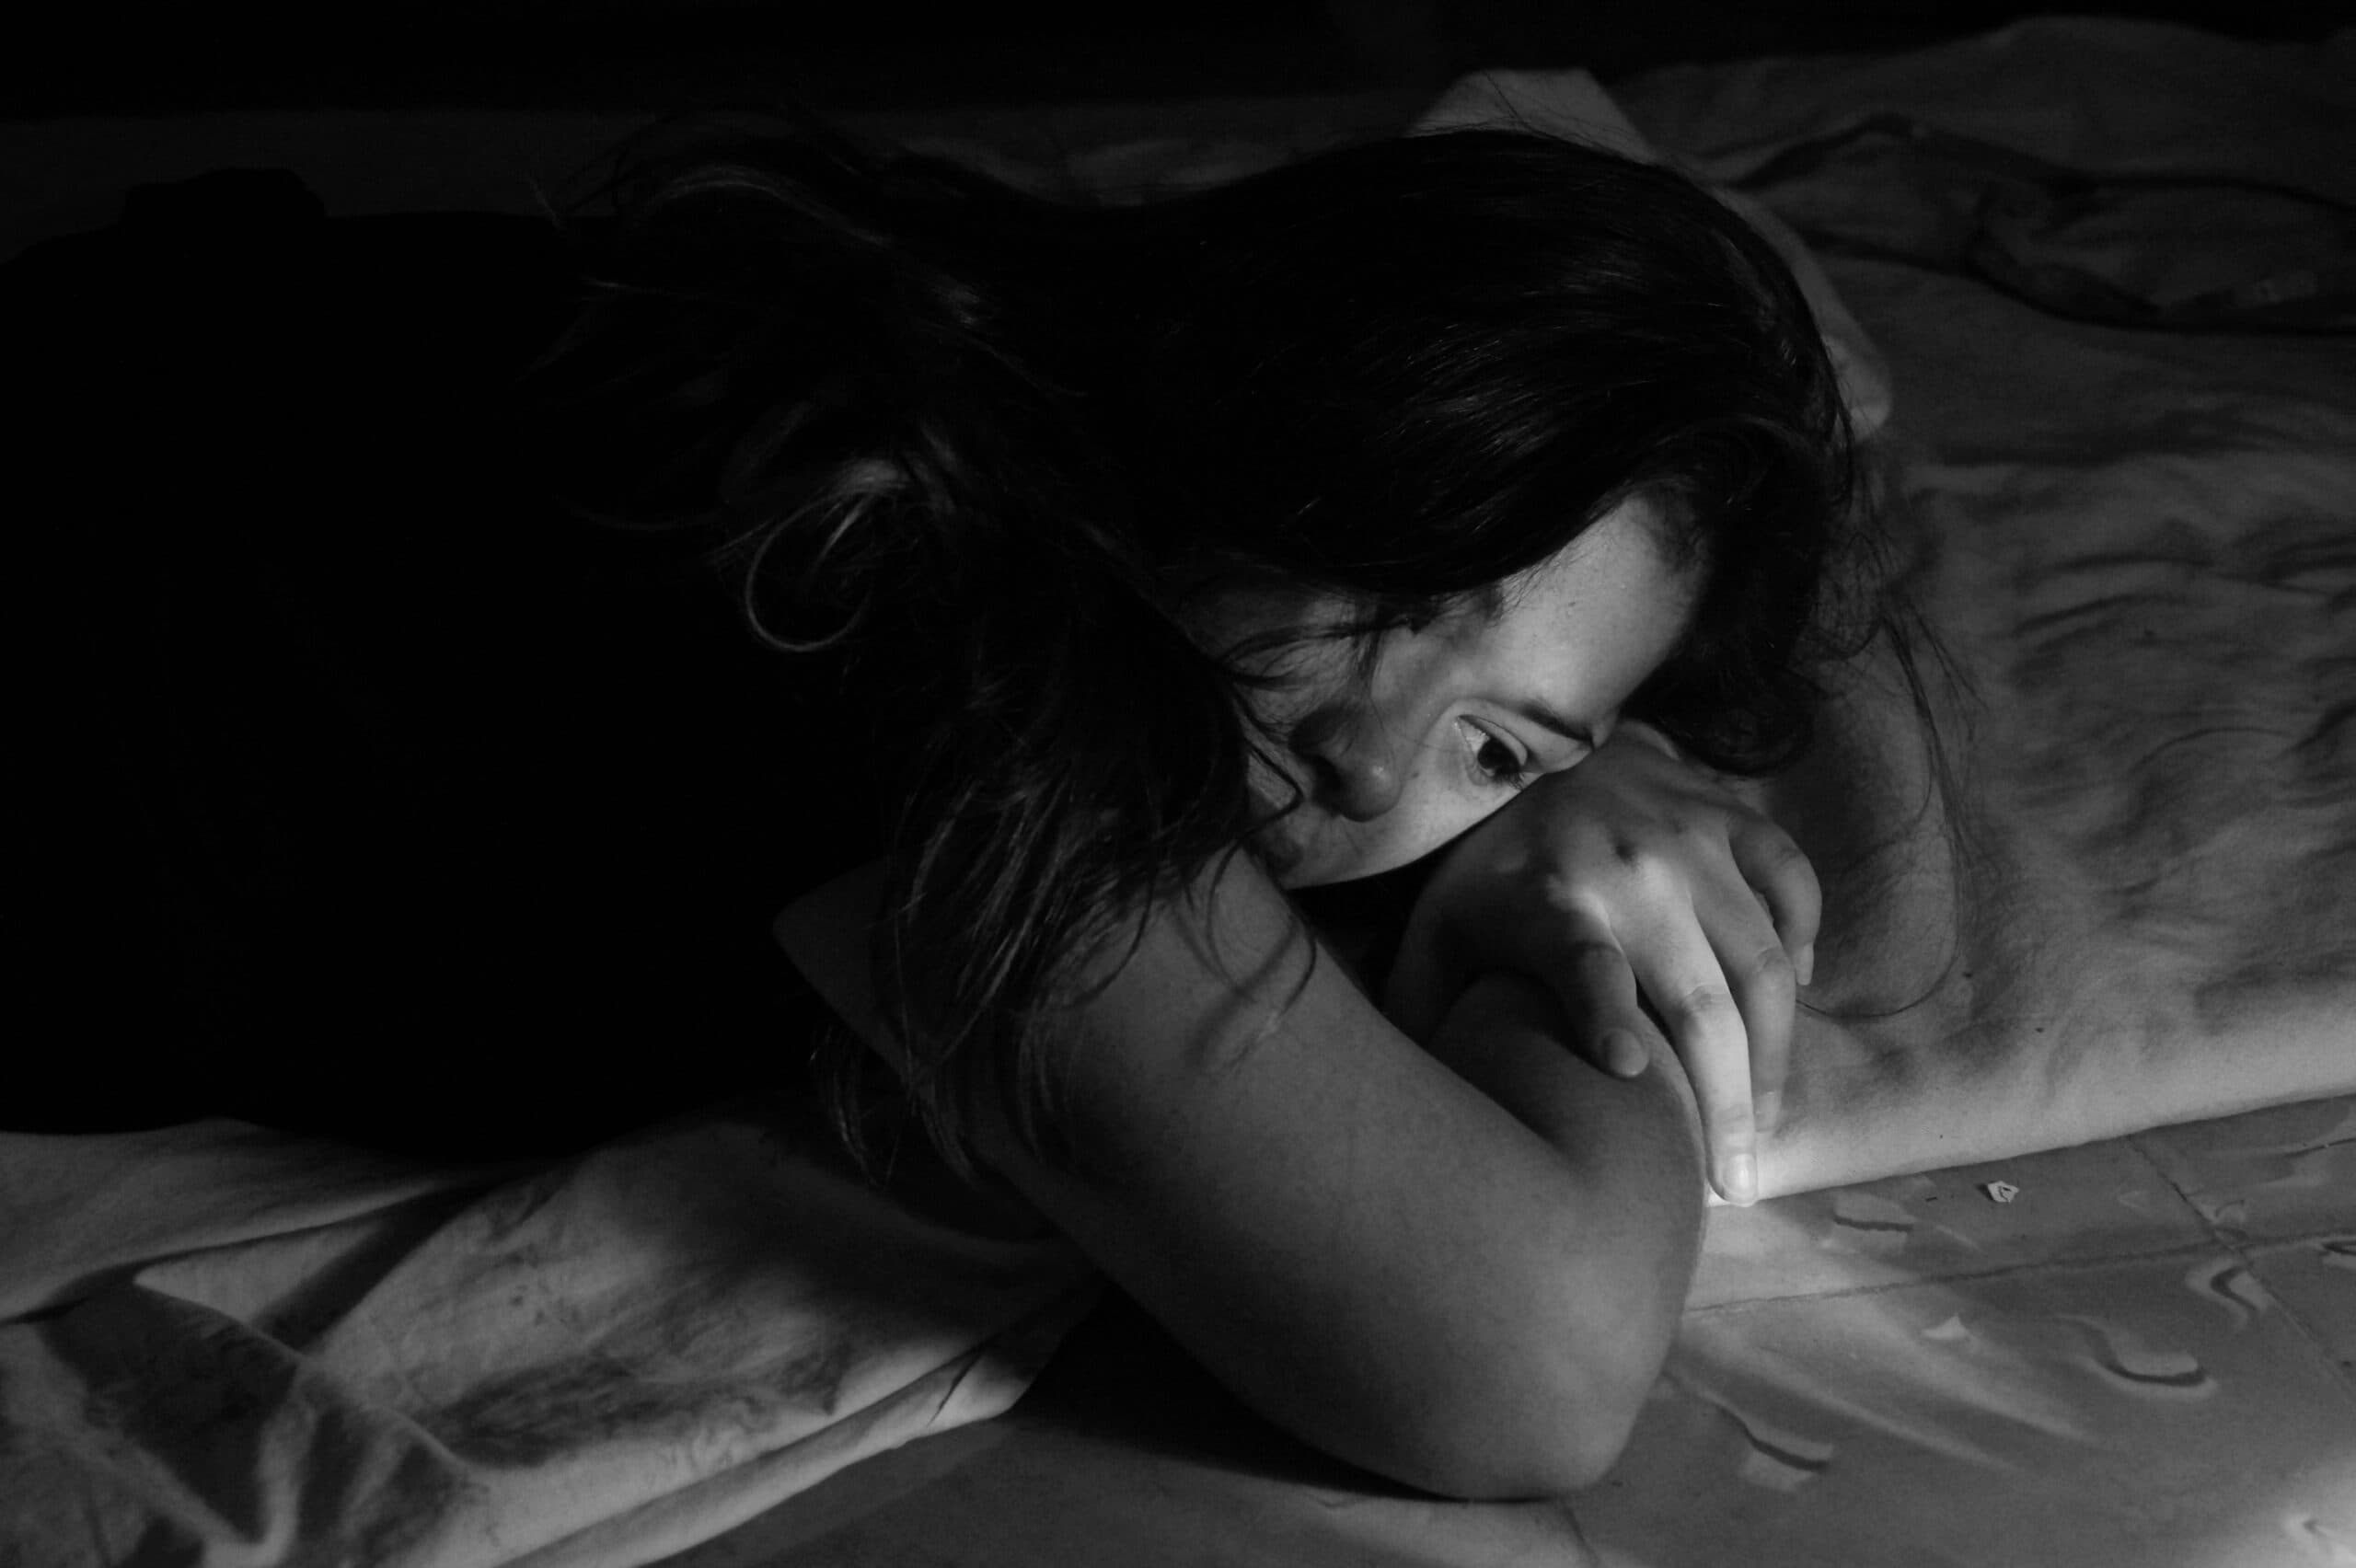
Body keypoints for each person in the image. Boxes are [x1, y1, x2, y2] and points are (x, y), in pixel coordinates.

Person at [5, 114, 1879, 1499]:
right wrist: (1527, 953)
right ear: (1238, 412)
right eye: (1377, 590)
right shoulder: (889, 592)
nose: (1371, 768)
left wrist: (1562, 785)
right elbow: (1511, 1367)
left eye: (1499, 743)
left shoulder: (1018, 448)